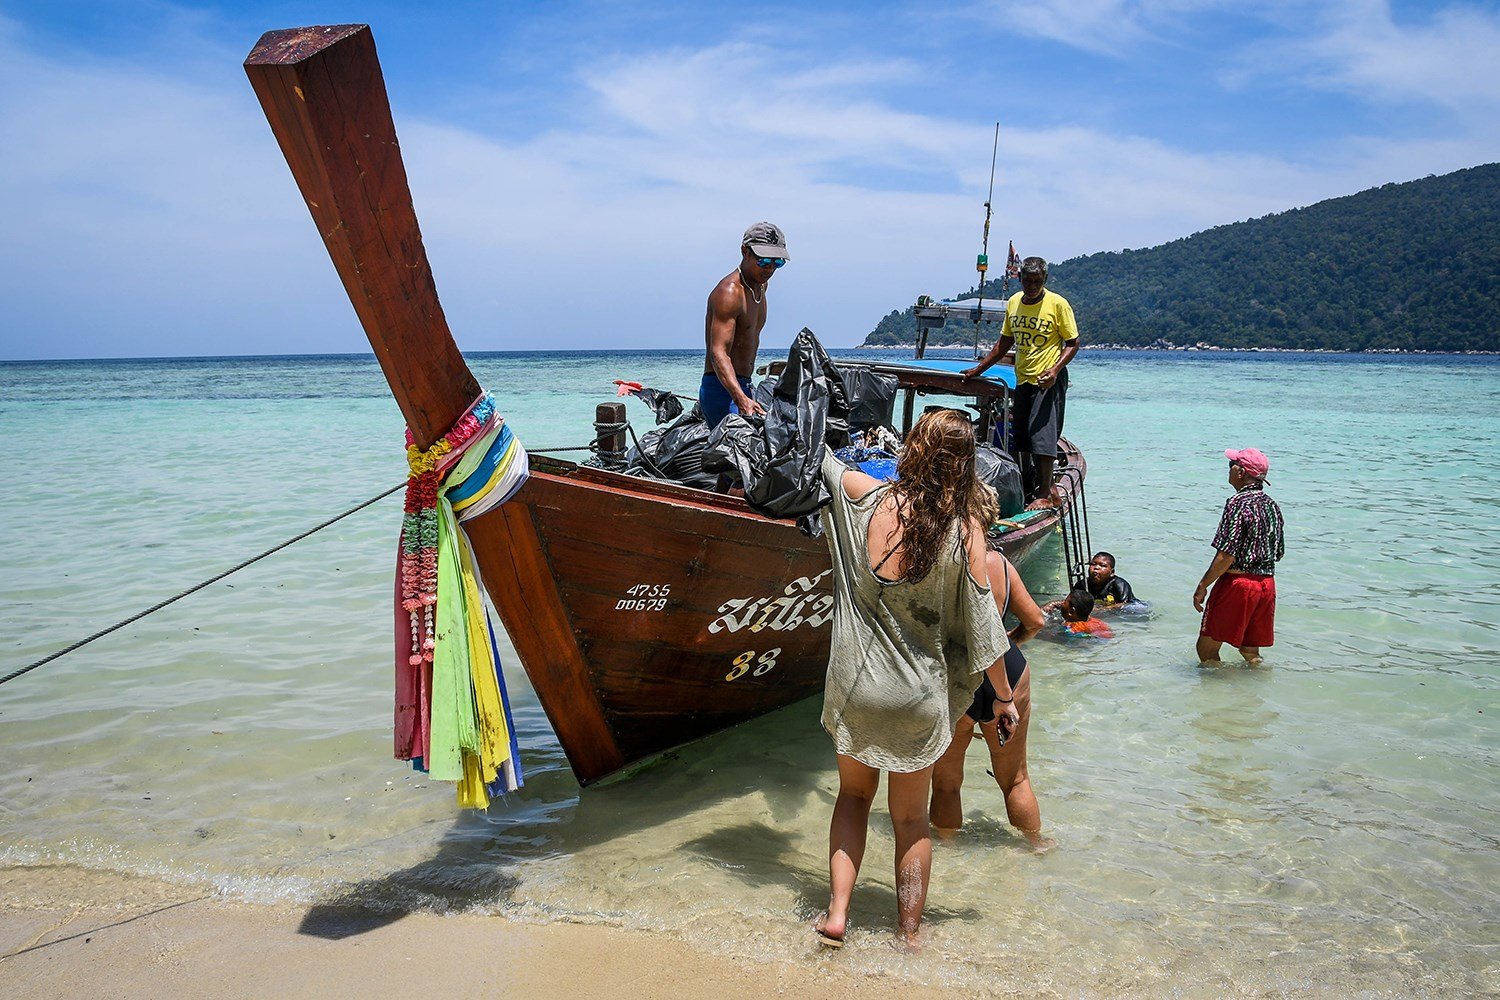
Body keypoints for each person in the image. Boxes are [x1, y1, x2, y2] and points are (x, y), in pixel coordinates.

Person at [815, 410, 1015, 951]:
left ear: (912, 450)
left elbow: (819, 462)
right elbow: (984, 628)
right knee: (910, 820)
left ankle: (837, 915)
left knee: (853, 798)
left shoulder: (865, 497)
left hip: (857, 687)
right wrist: (1000, 697)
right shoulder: (965, 531)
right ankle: (909, 934)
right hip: (920, 699)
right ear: (966, 465)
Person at [929, 549, 1049, 850]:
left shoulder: (935, 556)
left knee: (946, 780)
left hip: (955, 671)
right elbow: (1035, 620)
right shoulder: (999, 563)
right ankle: (1037, 846)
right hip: (1005, 671)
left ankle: (947, 848)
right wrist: (1012, 641)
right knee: (1015, 778)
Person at [962, 257, 1079, 509]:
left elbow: (1072, 342)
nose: (1032, 286)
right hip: (1024, 377)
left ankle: (1044, 495)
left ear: (1044, 280)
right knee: (1024, 436)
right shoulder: (1014, 302)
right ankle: (1046, 487)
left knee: (1043, 436)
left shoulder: (1058, 304)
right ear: (1020, 279)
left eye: (1037, 281)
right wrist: (979, 369)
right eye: (1028, 281)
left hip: (1047, 379)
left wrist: (1056, 370)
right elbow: (1004, 342)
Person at [1194, 447, 1285, 665]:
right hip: (1266, 586)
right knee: (1250, 652)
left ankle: (1215, 697)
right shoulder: (1273, 506)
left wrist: (1203, 585)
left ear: (1241, 472)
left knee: (1206, 650)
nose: (1228, 469)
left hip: (1238, 585)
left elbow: (1226, 555)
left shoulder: (1237, 503)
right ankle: (1253, 693)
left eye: (1231, 465)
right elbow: (1279, 552)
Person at [701, 222, 788, 429]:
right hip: (721, 390)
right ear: (744, 252)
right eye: (764, 261)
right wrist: (740, 398)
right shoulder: (729, 293)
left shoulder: (760, 286)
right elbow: (718, 352)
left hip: (744, 386)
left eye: (777, 262)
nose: (770, 268)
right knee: (736, 456)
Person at [1043, 588, 1114, 639]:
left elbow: (1050, 635)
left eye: (1064, 602)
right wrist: (1053, 604)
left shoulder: (1071, 627)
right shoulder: (1097, 622)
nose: (1061, 605)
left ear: (1071, 612)